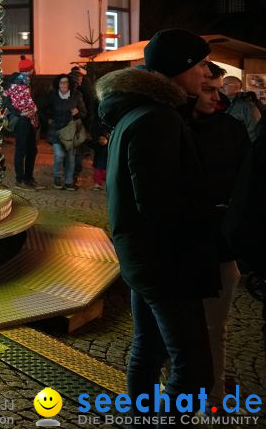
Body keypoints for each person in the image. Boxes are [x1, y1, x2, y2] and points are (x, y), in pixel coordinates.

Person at [96, 28, 217, 412]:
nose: (205, 73)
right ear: (178, 68)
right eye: (199, 65)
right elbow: (158, 202)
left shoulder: (136, 113)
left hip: (144, 257)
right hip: (167, 262)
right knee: (194, 370)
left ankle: (142, 420)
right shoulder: (157, 119)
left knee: (148, 351)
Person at [189, 62, 251, 405]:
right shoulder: (172, 128)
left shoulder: (231, 128)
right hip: (186, 245)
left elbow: (245, 187)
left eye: (217, 89)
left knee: (216, 326)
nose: (217, 96)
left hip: (220, 246)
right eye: (208, 89)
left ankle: (214, 393)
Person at [40, 74, 88, 190]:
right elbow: (43, 109)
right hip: (56, 130)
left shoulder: (76, 95)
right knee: (59, 155)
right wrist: (49, 120)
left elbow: (84, 112)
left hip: (70, 131)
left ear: (69, 84)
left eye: (66, 82)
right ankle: (57, 177)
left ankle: (69, 181)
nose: (63, 85)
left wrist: (78, 113)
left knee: (71, 157)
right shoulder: (52, 96)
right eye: (61, 82)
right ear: (58, 84)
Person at [7, 71, 43, 189]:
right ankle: (20, 179)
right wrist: (21, 112)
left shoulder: (26, 90)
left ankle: (29, 178)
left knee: (32, 150)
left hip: (30, 121)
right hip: (21, 122)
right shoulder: (12, 91)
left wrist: (33, 110)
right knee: (21, 150)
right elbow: (9, 106)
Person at [219, 76, 263, 142]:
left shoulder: (247, 106)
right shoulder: (221, 103)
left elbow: (255, 132)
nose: (221, 87)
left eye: (225, 84)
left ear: (237, 86)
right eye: (221, 84)